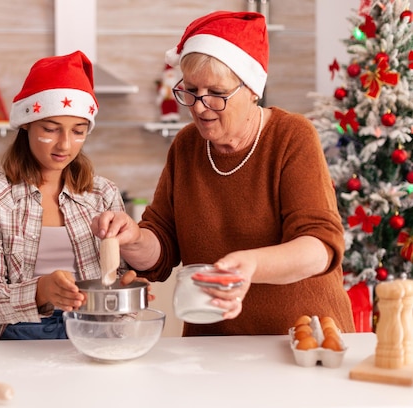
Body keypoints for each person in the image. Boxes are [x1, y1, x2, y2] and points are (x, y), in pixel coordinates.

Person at [92, 11, 355, 336]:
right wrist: (133, 238)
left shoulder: (291, 136)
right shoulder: (187, 145)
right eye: (191, 90)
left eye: (216, 94)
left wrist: (251, 267)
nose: (200, 107)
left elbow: (319, 247)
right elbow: (161, 249)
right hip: (213, 346)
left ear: (252, 89)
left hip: (300, 340)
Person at [0, 50, 132, 340]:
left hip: (92, 331)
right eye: (51, 129)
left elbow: (116, 281)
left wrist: (127, 290)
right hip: (13, 334)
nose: (65, 144)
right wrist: (39, 291)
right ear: (26, 123)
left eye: (78, 131)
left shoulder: (103, 194)